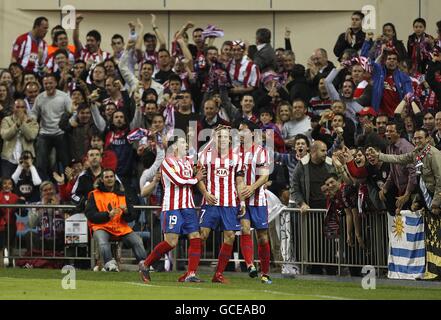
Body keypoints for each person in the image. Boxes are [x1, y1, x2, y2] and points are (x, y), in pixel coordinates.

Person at [138, 137, 205, 283]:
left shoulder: (188, 161)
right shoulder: (167, 163)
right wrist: (196, 178)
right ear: (174, 147)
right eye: (183, 142)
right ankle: (145, 264)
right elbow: (178, 181)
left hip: (188, 206)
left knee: (195, 237)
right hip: (172, 207)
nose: (186, 144)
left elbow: (203, 155)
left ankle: (191, 274)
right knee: (171, 242)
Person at [197, 126, 246, 283]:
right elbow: (199, 178)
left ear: (230, 139)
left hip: (230, 203)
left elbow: (239, 181)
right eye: (219, 137)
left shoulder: (237, 157)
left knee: (230, 236)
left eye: (225, 137)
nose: (222, 139)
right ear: (214, 138)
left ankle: (218, 274)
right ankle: (191, 271)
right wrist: (205, 193)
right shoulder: (205, 155)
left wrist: (242, 201)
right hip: (210, 202)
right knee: (202, 235)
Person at [85, 168, 146, 272]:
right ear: (102, 180)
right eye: (106, 177)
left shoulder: (123, 194)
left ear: (115, 178)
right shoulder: (94, 194)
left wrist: (127, 212)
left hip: (120, 227)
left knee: (137, 241)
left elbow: (133, 215)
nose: (109, 179)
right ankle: (109, 264)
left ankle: (145, 264)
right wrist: (107, 215)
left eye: (111, 176)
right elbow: (90, 215)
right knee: (103, 242)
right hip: (101, 227)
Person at [238, 121, 272, 284]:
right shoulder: (234, 152)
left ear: (252, 133)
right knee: (245, 230)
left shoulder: (260, 151)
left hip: (258, 200)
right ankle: (251, 265)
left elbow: (265, 176)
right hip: (242, 199)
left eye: (243, 130)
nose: (240, 133)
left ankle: (265, 273)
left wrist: (252, 188)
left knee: (262, 237)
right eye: (238, 131)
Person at [31, 74, 72, 177]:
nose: (48, 85)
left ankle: (68, 184)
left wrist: (69, 123)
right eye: (45, 83)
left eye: (50, 83)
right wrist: (32, 119)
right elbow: (34, 112)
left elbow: (72, 111)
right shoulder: (39, 98)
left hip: (60, 132)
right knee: (40, 162)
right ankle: (43, 184)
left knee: (66, 162)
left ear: (56, 83)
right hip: (44, 133)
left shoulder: (64, 96)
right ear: (42, 85)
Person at [292, 140, 335, 212]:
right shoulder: (302, 165)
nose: (326, 153)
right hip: (310, 211)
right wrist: (302, 204)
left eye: (326, 150)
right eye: (323, 151)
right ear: (314, 151)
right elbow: (294, 188)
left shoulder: (330, 163)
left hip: (329, 209)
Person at [1, 98, 39, 177]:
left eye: (22, 107)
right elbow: (5, 135)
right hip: (8, 159)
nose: (20, 109)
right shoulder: (6, 120)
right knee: (7, 184)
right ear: (13, 108)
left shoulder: (32, 121)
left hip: (27, 160)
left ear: (25, 108)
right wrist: (17, 124)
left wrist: (22, 124)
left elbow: (31, 136)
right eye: (17, 107)